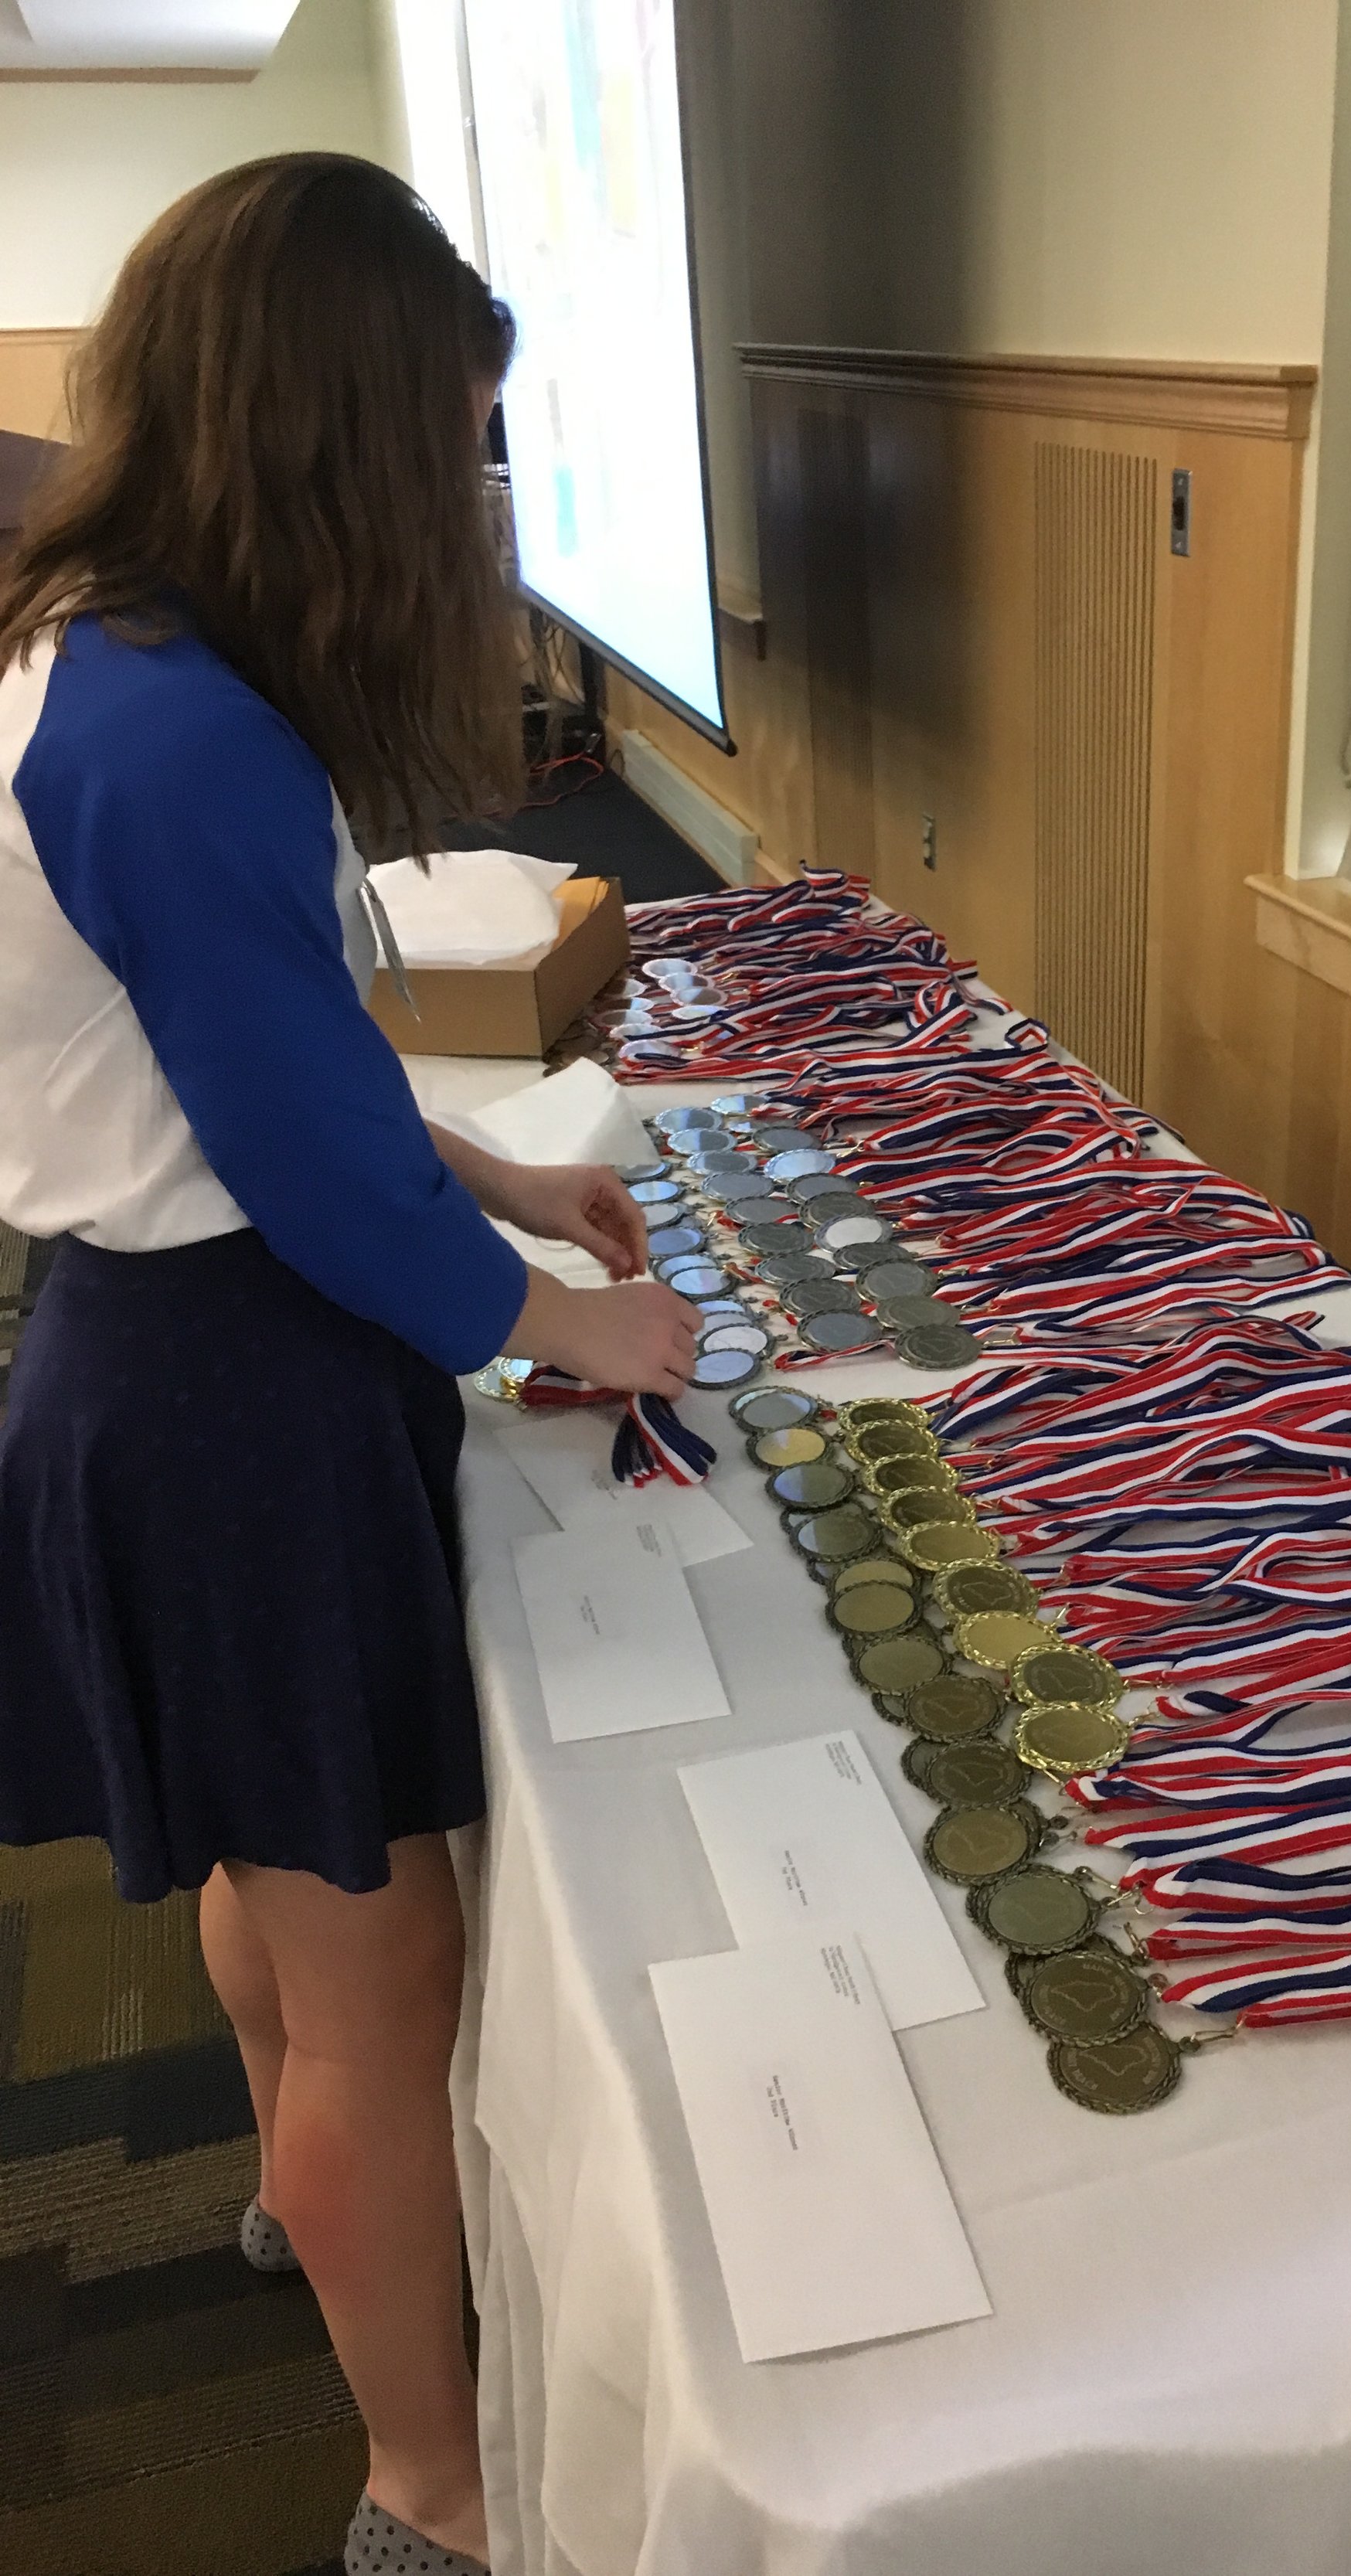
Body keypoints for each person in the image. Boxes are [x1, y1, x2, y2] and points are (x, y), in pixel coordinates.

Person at [0, 155, 696, 2575]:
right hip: (217, 1393)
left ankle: (311, 2217)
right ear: (334, 432)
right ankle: (434, 2487)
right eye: (450, 447)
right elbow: (288, 1164)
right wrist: (561, 1319)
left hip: (151, 1353)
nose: (464, 502)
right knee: (378, 1968)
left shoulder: (114, 657)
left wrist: (494, 1190)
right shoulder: (176, 735)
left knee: (265, 1884)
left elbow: (242, 1050)